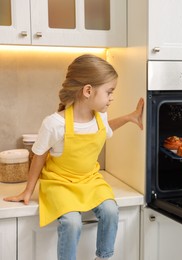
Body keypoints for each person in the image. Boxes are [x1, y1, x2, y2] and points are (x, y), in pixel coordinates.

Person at [3, 54, 144, 260]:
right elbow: (38, 156)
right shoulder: (54, 123)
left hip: (90, 180)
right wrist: (28, 191)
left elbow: (104, 129)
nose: (112, 97)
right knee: (71, 222)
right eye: (109, 91)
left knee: (111, 211)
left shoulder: (100, 116)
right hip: (59, 183)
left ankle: (103, 257)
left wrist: (130, 117)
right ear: (88, 91)